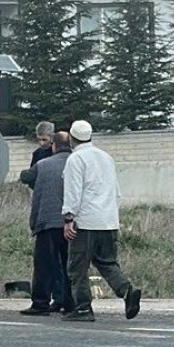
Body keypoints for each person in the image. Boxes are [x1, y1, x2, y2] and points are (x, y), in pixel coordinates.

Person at [62, 120, 143, 322]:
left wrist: (69, 218)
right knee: (106, 262)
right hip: (108, 220)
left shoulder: (75, 159)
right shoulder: (106, 157)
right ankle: (126, 290)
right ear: (90, 136)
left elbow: (73, 191)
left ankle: (83, 308)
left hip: (85, 222)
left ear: (71, 138)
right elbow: (116, 191)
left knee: (78, 267)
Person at [19, 132, 74, 315]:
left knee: (44, 264)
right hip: (73, 223)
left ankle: (40, 303)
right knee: (70, 265)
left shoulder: (43, 164)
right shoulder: (77, 164)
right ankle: (70, 304)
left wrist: (34, 223)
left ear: (53, 146)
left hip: (48, 221)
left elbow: (26, 178)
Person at [18, 121, 55, 188]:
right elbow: (32, 177)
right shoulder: (37, 153)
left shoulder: (58, 153)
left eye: (44, 140)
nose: (41, 143)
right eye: (39, 139)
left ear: (52, 137)